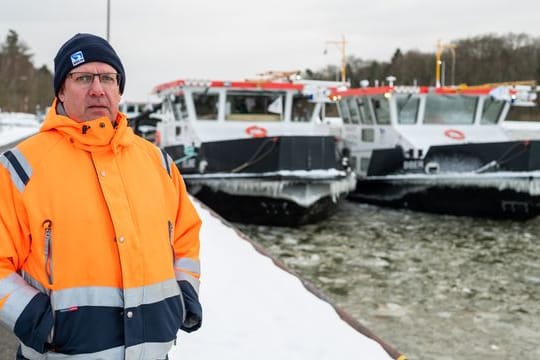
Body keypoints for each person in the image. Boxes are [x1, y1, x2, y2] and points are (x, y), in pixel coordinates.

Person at [0, 33, 202, 359]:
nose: (97, 89)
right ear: (61, 91)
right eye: (82, 78)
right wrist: (36, 320)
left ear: (119, 90)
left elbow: (185, 238)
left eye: (108, 78)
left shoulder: (157, 162)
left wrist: (184, 292)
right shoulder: (19, 169)